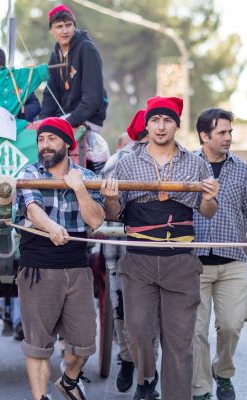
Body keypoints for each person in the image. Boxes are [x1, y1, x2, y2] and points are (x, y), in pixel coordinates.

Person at [102, 96, 219, 400]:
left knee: (179, 343)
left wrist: (209, 197)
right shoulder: (127, 162)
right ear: (147, 124)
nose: (161, 126)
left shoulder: (195, 163)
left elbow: (208, 211)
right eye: (155, 120)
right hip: (138, 260)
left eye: (167, 120)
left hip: (181, 262)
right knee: (138, 330)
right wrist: (112, 198)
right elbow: (113, 214)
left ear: (176, 125)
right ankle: (147, 374)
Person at [14, 118, 104, 400]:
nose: (45, 145)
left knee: (85, 342)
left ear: (68, 143)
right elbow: (32, 208)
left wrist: (78, 188)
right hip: (38, 267)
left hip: (77, 268)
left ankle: (68, 380)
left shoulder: (87, 177)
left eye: (52, 139)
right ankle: (40, 397)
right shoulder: (28, 172)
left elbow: (97, 220)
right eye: (41, 140)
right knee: (38, 345)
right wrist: (52, 228)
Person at [190, 108, 247, 400]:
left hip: (234, 260)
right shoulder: (187, 165)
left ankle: (223, 372)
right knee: (197, 332)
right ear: (204, 135)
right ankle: (201, 390)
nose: (228, 137)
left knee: (232, 325)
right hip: (194, 263)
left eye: (230, 132)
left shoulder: (242, 169)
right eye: (222, 132)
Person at [100, 111, 141, 394]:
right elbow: (106, 209)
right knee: (122, 306)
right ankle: (127, 358)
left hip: (158, 248)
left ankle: (146, 376)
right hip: (121, 246)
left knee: (152, 314)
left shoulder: (179, 161)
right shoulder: (117, 161)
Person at [40, 5, 107, 136]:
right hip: (65, 118)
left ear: (74, 26)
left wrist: (69, 121)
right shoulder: (55, 57)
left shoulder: (87, 49)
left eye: (68, 25)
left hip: (87, 119)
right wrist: (43, 123)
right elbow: (50, 95)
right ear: (51, 30)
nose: (65, 31)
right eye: (59, 26)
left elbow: (93, 97)